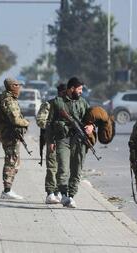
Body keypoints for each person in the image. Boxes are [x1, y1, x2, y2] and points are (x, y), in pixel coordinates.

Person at [46, 77, 94, 208]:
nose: (80, 92)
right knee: (62, 168)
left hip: (79, 140)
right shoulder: (58, 102)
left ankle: (71, 196)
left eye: (81, 89)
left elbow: (90, 119)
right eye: (79, 89)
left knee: (76, 170)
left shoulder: (83, 102)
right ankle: (64, 194)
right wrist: (50, 141)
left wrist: (91, 127)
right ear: (71, 88)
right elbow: (49, 123)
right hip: (63, 139)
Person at [0, 77, 29, 199]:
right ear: (12, 87)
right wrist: (26, 122)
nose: (19, 88)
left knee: (14, 161)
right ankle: (7, 190)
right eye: (17, 85)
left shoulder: (7, 98)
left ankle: (8, 188)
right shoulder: (9, 101)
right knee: (11, 161)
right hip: (10, 134)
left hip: (10, 134)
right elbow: (15, 119)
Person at [36, 84, 66, 204]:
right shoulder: (49, 104)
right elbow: (40, 120)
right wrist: (52, 128)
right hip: (52, 139)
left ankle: (58, 191)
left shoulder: (68, 105)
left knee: (63, 167)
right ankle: (50, 193)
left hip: (65, 141)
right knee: (52, 166)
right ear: (60, 92)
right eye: (64, 92)